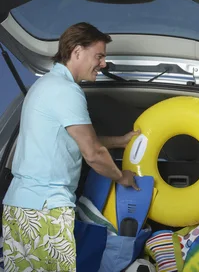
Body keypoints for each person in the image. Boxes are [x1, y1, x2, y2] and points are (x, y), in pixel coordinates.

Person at [2, 22, 139, 272]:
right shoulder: (67, 91)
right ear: (77, 52)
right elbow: (93, 153)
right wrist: (122, 177)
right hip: (46, 210)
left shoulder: (44, 86)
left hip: (19, 206)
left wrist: (120, 141)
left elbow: (75, 137)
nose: (104, 64)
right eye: (99, 56)